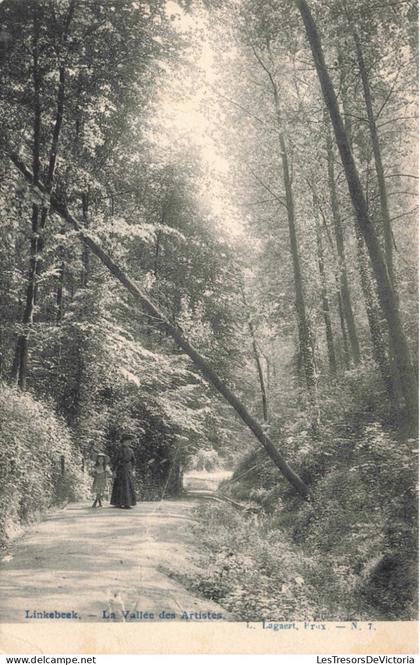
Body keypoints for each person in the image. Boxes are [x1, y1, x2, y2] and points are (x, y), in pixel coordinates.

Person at [110, 436, 137, 509]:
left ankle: (127, 503)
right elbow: (115, 461)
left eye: (130, 441)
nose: (129, 442)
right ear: (123, 441)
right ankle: (118, 503)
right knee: (119, 485)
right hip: (120, 468)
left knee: (127, 485)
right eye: (127, 441)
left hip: (127, 469)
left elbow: (134, 461)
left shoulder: (131, 450)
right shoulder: (118, 450)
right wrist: (114, 471)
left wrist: (133, 470)